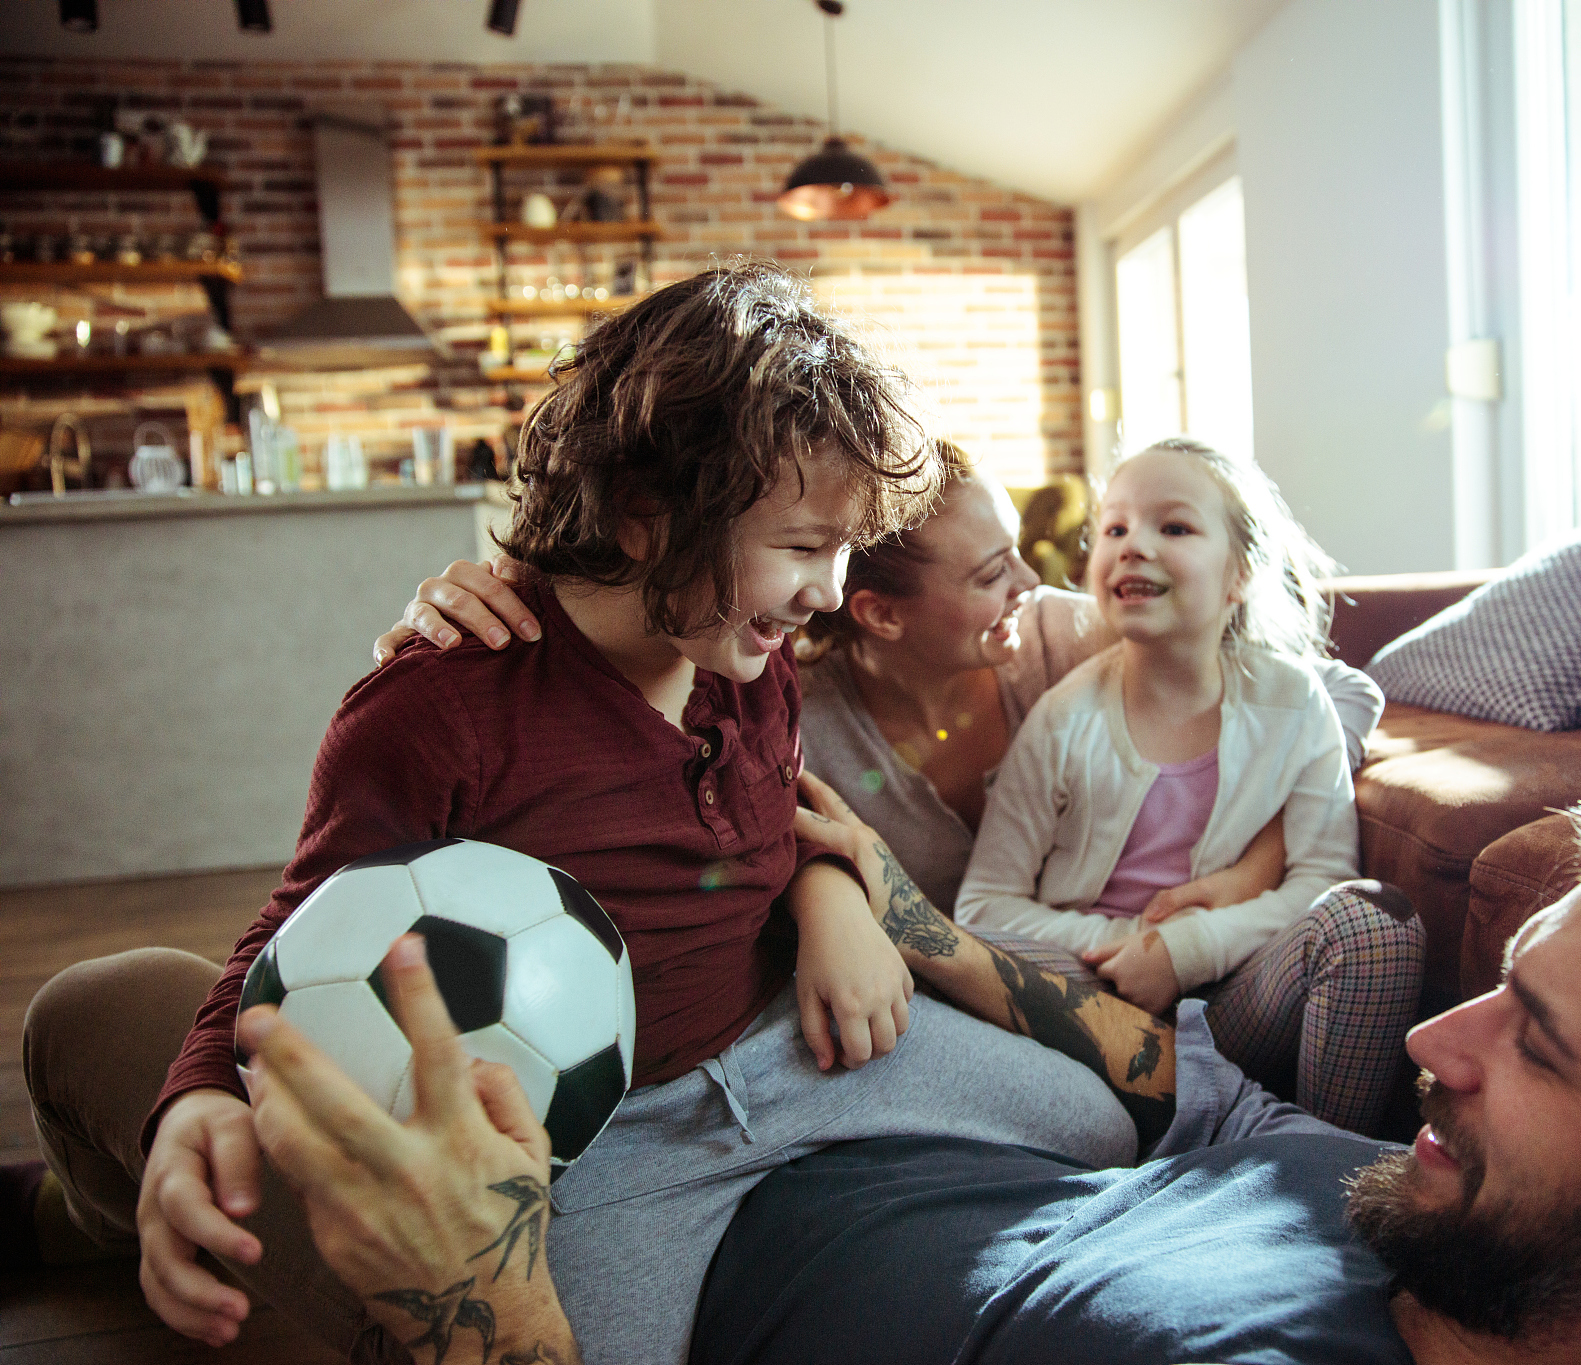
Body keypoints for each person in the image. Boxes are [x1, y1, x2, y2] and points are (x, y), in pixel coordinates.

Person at [26, 263, 1138, 1364]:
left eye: (844, 550)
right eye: (804, 548)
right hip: (607, 1139)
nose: (832, 591)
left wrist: (831, 897)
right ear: (648, 516)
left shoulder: (750, 660)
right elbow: (295, 933)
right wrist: (198, 1093)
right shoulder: (441, 706)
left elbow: (772, 824)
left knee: (1095, 1120)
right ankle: (72, 1218)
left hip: (788, 1051)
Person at [241, 738, 1581, 1365]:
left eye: (1543, 1044)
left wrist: (468, 1301)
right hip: (874, 1100)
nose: (1436, 1038)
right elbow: (1176, 1081)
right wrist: (903, 910)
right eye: (1501, 986)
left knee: (136, 1015)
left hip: (599, 1253)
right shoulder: (1459, 1219)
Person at [377, 439, 1423, 1134]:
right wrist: (495, 608)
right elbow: (747, 839)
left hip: (1126, 972)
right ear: (873, 611)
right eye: (992, 573)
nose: (1031, 584)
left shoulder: (1062, 634)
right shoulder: (783, 698)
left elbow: (1322, 692)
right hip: (970, 997)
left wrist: (1250, 871)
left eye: (1022, 556)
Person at [953, 440, 1367, 1018]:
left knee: (1372, 926)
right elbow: (983, 906)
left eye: (1174, 528)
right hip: (1094, 988)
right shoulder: (1062, 719)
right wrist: (1133, 946)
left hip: (1238, 980)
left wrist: (1191, 949)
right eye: (1115, 529)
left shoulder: (1294, 702)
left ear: (1242, 573)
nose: (1133, 546)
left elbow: (1324, 877)